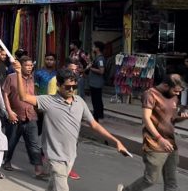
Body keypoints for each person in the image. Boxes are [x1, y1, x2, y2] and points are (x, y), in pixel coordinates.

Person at [12, 61, 128, 191]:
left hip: (71, 155)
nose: (71, 90)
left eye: (74, 87)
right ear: (58, 85)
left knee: (54, 186)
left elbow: (94, 124)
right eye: (67, 87)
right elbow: (23, 96)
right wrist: (18, 72)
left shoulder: (79, 102)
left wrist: (116, 141)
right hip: (54, 156)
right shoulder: (48, 101)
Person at [117, 74, 187, 191]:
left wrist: (183, 117)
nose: (178, 94)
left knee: (171, 181)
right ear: (165, 85)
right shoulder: (150, 94)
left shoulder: (174, 97)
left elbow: (172, 119)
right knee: (150, 179)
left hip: (170, 143)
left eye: (179, 92)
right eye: (175, 91)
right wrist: (160, 139)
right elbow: (146, 118)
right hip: (154, 143)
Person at [1, 56, 45, 179]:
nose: (29, 68)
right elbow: (5, 94)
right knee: (11, 141)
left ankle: (38, 169)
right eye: (27, 65)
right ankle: (7, 161)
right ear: (20, 66)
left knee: (34, 144)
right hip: (15, 116)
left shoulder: (32, 79)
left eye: (31, 65)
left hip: (31, 116)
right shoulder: (12, 77)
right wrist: (9, 112)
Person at [87, 41, 106, 122]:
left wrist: (90, 68)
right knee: (97, 100)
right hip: (94, 82)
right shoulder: (97, 57)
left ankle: (96, 117)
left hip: (96, 83)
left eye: (94, 47)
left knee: (96, 100)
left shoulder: (100, 59)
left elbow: (101, 71)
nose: (92, 48)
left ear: (97, 48)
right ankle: (99, 115)